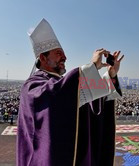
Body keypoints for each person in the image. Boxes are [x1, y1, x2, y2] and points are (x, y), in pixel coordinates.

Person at [17, 19, 124, 166]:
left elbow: (90, 105)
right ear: (43, 58)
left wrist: (110, 75)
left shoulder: (63, 85)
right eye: (58, 53)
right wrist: (92, 66)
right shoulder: (32, 86)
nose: (65, 58)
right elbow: (55, 98)